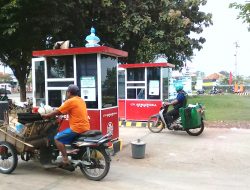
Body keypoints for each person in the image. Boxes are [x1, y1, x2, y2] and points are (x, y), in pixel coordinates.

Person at [42, 84, 90, 165]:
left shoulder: (70, 101)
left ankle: (65, 159)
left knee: (57, 138)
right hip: (85, 127)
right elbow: (68, 110)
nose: (66, 94)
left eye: (67, 92)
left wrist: (47, 115)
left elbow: (58, 111)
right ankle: (70, 152)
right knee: (65, 136)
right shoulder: (80, 100)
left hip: (77, 128)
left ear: (69, 93)